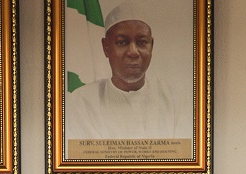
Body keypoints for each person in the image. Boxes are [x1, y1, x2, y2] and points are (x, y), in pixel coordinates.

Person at [66, 4, 191, 141]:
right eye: (122, 42)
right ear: (106, 47)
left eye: (142, 42)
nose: (133, 52)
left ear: (151, 46)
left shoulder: (175, 102)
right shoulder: (81, 103)